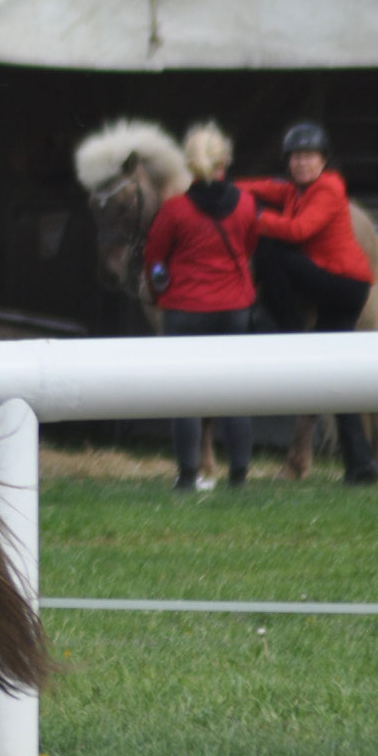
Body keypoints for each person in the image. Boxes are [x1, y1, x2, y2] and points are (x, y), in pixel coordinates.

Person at [238, 122, 378, 485]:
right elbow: (254, 186)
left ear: (323, 161)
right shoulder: (293, 190)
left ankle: (286, 328)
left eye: (309, 157)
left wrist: (255, 218)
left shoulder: (328, 190)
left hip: (344, 286)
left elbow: (299, 231)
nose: (301, 164)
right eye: (296, 158)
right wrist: (219, 188)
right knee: (331, 376)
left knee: (275, 250)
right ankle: (362, 466)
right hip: (335, 285)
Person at [142, 122, 259, 491]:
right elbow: (250, 246)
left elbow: (155, 258)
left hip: (185, 310)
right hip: (234, 307)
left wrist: (161, 288)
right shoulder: (246, 204)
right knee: (234, 392)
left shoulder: (175, 210)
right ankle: (239, 473)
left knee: (186, 393)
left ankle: (188, 473)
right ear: (225, 160)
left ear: (189, 164)